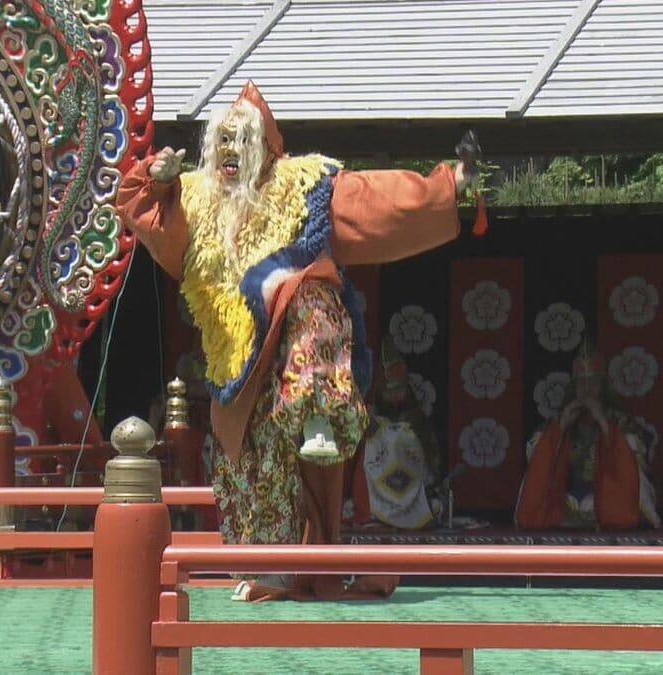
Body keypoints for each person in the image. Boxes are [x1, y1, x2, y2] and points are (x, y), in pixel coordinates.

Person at [117, 81, 478, 601]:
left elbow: (378, 202)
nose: (228, 155)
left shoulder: (303, 183)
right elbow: (150, 223)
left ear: (263, 146)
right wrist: (153, 182)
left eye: (239, 142)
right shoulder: (194, 196)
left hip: (296, 346)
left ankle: (318, 414)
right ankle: (269, 569)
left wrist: (450, 184)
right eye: (220, 141)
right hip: (238, 358)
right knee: (252, 468)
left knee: (313, 293)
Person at [516, 340, 662, 530]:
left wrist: (603, 423)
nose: (586, 389)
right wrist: (560, 429)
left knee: (630, 445)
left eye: (593, 383)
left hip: (607, 496)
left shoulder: (619, 421)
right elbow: (537, 461)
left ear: (603, 387)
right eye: (581, 383)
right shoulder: (561, 420)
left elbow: (638, 457)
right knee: (540, 448)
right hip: (567, 500)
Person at [351, 344, 446, 529]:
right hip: (376, 492)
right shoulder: (372, 419)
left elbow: (430, 459)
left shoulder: (417, 419)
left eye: (398, 390)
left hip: (413, 494)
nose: (394, 396)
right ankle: (375, 511)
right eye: (389, 391)